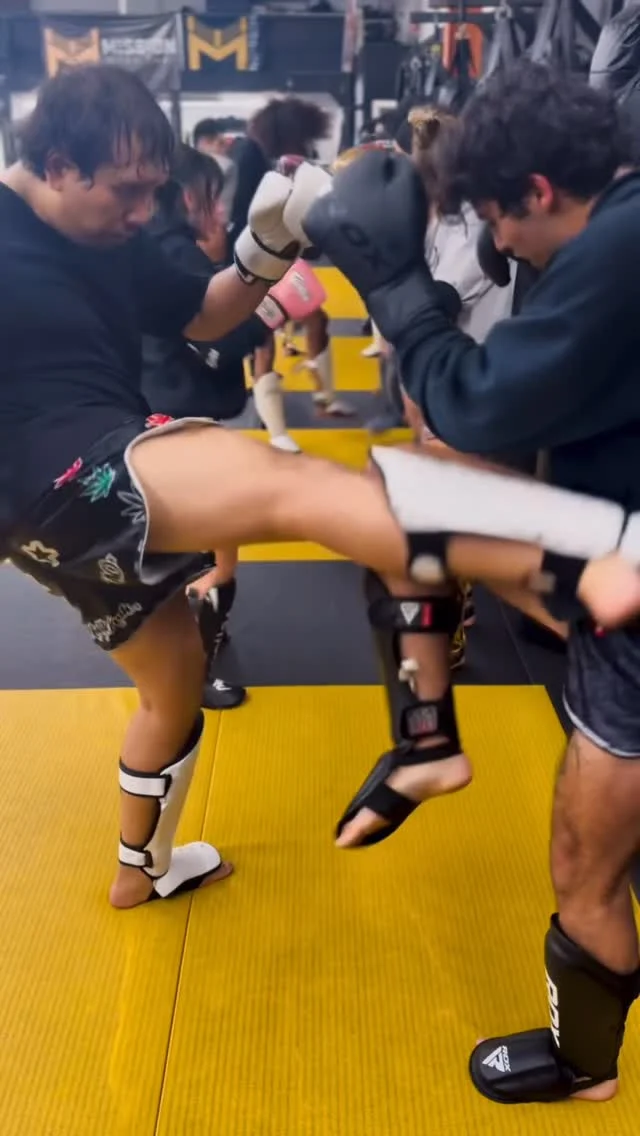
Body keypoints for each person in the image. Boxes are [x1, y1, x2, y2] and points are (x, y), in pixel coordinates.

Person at [2, 65, 639, 933]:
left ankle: (140, 870)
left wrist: (270, 244)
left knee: (172, 685)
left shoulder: (116, 240)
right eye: (124, 191)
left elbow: (206, 316)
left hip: (59, 528)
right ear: (58, 165)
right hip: (69, 468)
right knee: (302, 483)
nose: (143, 212)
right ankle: (598, 568)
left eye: (153, 191)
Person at [289, 60, 640, 1107]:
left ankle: (581, 1060)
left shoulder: (618, 246)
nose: (500, 249)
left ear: (535, 192)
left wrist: (399, 293)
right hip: (610, 538)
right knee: (413, 496)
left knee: (583, 860)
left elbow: (477, 405)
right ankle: (426, 742)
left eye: (499, 223)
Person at [141, 143, 298, 712]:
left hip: (170, 410)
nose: (218, 214)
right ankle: (190, 673)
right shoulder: (174, 258)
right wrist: (269, 312)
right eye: (212, 202)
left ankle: (197, 644)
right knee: (209, 554)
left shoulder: (158, 250)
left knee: (207, 544)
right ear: (188, 198)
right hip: (175, 415)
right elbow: (213, 333)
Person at [192, 117, 237, 222]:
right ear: (205, 142)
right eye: (222, 143)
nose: (226, 148)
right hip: (213, 228)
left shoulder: (185, 163)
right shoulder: (226, 165)